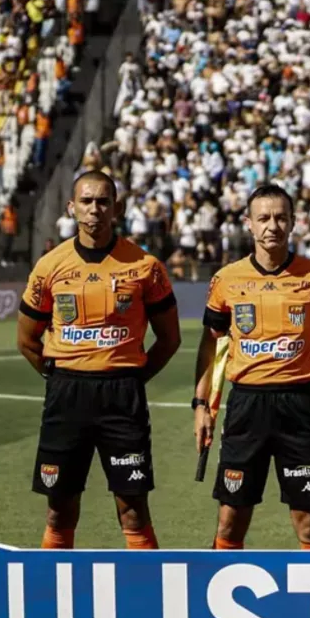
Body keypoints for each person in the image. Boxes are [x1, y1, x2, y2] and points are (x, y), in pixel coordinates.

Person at [16, 170, 181, 549]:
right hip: (66, 395)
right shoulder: (49, 266)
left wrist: (134, 377)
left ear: (117, 208)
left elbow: (170, 338)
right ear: (72, 208)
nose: (95, 210)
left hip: (122, 397)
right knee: (59, 509)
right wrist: (58, 377)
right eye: (87, 202)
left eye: (103, 201)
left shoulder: (144, 266)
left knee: (133, 508)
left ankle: (146, 597)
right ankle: (53, 594)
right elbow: (26, 339)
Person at [193, 184, 310, 550]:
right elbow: (211, 344)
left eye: (281, 217)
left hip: (299, 406)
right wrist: (202, 405)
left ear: (294, 222)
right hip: (246, 406)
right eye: (263, 218)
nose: (272, 226)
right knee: (230, 520)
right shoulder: (226, 280)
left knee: (309, 524)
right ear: (248, 223)